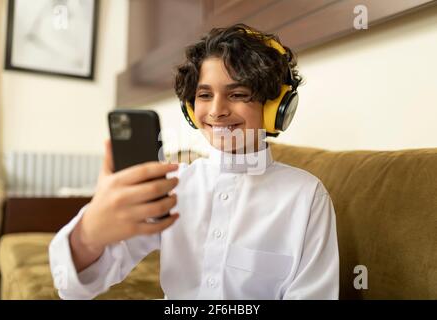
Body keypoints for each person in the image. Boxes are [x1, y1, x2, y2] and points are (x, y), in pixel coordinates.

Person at [49, 24, 339, 299]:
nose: (216, 111)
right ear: (190, 106)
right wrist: (88, 234)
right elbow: (72, 288)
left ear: (276, 108)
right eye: (204, 95)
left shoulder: (306, 196)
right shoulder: (171, 186)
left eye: (237, 94)